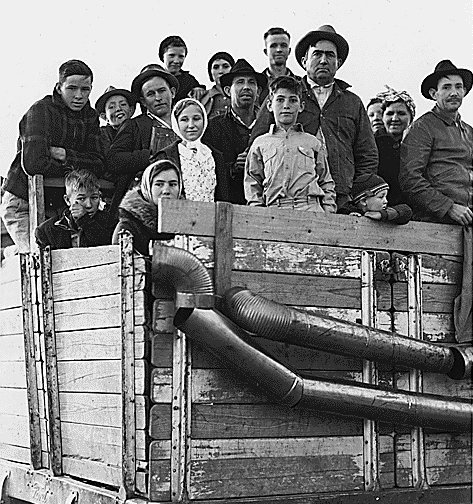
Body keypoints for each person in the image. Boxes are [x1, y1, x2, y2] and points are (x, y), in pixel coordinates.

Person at [251, 25, 378, 208]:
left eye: (330, 55)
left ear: (339, 63)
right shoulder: (285, 95)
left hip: (343, 199)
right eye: (317, 54)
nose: (324, 60)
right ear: (304, 61)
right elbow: (259, 144)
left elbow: (367, 154)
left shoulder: (352, 102)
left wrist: (355, 192)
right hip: (290, 201)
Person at [0, 59, 104, 253]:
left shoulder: (90, 116)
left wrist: (65, 156)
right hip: (24, 201)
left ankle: (13, 252)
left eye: (85, 89)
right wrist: (78, 167)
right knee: (37, 259)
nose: (79, 95)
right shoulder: (40, 111)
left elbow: (99, 163)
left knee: (66, 261)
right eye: (72, 88)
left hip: (59, 204)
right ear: (59, 87)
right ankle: (10, 254)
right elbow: (34, 164)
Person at [245, 76, 336, 213]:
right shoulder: (260, 143)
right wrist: (257, 211)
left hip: (310, 208)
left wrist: (328, 211)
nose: (286, 106)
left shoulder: (312, 142)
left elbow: (325, 180)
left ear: (301, 106)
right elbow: (252, 181)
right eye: (280, 100)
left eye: (293, 100)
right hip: (275, 210)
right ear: (270, 105)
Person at [399, 60, 473, 225]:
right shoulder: (422, 128)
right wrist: (448, 207)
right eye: (446, 87)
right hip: (435, 223)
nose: (454, 92)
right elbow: (410, 179)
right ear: (434, 94)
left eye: (458, 86)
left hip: (467, 222)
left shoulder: (469, 131)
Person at [106, 65, 180, 220]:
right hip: (146, 204)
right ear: (143, 102)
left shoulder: (185, 123)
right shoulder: (136, 126)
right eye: (150, 94)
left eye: (162, 91)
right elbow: (114, 159)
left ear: (172, 92)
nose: (158, 98)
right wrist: (149, 156)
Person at [203, 59, 267, 204]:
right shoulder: (213, 127)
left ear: (258, 91)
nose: (246, 87)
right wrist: (233, 168)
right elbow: (208, 170)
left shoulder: (270, 126)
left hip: (265, 204)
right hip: (230, 205)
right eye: (239, 82)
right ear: (227, 91)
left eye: (251, 82)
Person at [154, 98, 230, 202]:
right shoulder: (166, 156)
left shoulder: (215, 155)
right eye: (184, 119)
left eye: (196, 118)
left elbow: (222, 196)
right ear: (176, 122)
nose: (191, 125)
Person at [112, 160, 182, 255]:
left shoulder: (192, 221)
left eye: (173, 184)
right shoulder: (128, 226)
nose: (166, 191)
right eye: (159, 184)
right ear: (147, 187)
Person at [35, 169, 112, 249]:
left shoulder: (109, 222)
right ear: (67, 200)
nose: (89, 205)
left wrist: (84, 220)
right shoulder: (47, 230)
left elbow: (108, 244)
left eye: (94, 198)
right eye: (81, 199)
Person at [373, 86, 416, 206]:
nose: (395, 118)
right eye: (390, 113)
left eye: (401, 113)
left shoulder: (418, 145)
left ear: (411, 118)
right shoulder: (372, 144)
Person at [338, 173, 412, 224]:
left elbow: (407, 211)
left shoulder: (384, 211)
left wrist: (383, 214)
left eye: (385, 197)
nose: (386, 201)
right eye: (381, 197)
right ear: (363, 201)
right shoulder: (345, 211)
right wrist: (350, 219)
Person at [158, 35, 206, 102]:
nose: (176, 61)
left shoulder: (189, 81)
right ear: (162, 56)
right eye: (171, 55)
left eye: (181, 56)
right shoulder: (154, 79)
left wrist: (199, 90)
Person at [259, 27, 299, 105]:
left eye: (283, 45)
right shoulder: (258, 84)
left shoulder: (300, 84)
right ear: (266, 51)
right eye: (273, 46)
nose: (279, 50)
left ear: (289, 51)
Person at [95, 85, 136, 155]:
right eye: (111, 107)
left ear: (131, 110)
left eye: (123, 104)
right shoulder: (100, 135)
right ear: (104, 116)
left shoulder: (140, 130)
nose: (118, 109)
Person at [200, 52, 235, 120]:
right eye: (216, 67)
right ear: (210, 73)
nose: (221, 71)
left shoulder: (244, 95)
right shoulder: (202, 97)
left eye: (225, 66)